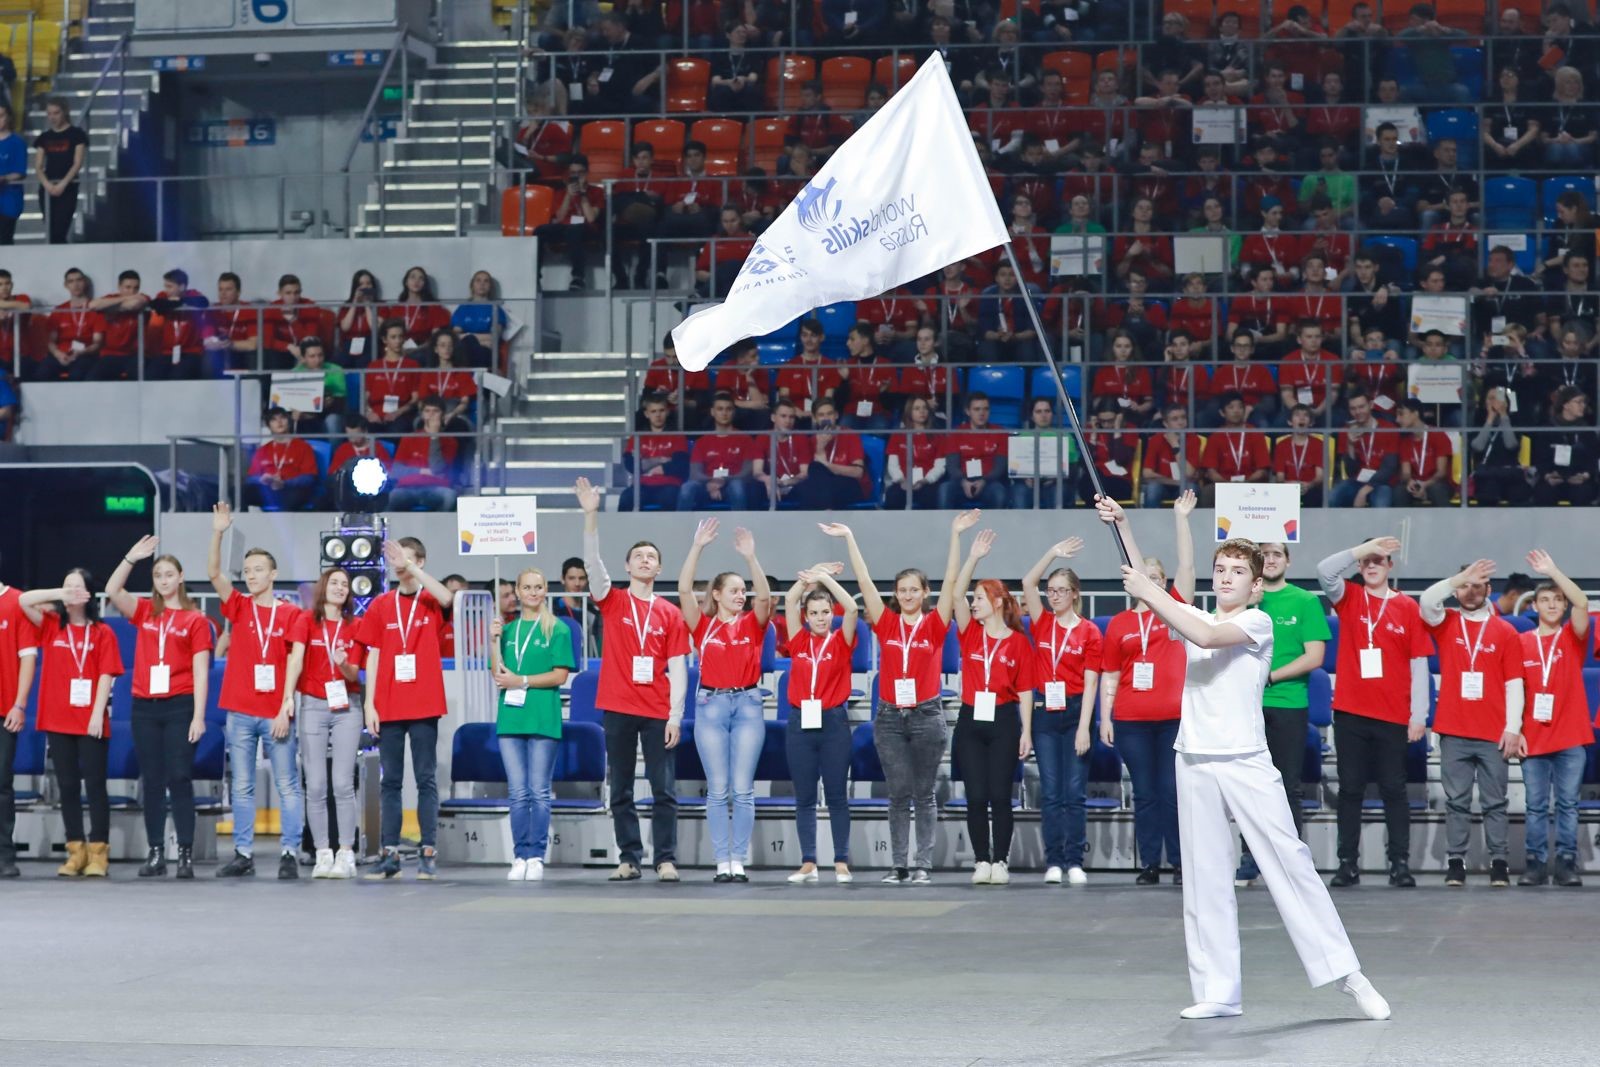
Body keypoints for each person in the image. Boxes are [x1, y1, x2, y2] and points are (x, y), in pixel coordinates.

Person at [1096, 495, 1391, 1023]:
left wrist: (1148, 590)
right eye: (1221, 569)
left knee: (1288, 862)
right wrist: (1125, 525)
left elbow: (1203, 633)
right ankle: (1218, 990)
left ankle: (1349, 975)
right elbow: (1163, 595)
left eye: (1238, 571)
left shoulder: (1257, 624)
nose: (1227, 577)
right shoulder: (1193, 613)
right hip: (1195, 759)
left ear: (1256, 585)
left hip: (1246, 760)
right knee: (1205, 875)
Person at [822, 511, 974, 885]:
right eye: (901, 590)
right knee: (898, 794)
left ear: (925, 593)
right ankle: (899, 864)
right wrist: (850, 538)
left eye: (914, 590)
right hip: (889, 718)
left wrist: (955, 535)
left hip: (926, 717)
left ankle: (922, 863)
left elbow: (953, 579)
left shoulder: (936, 624)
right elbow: (863, 581)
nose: (907, 595)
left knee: (923, 794)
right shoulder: (886, 622)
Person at [576, 477, 690, 882]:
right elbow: (591, 564)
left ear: (659, 568)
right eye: (638, 556)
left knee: (664, 790)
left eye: (651, 557)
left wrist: (676, 716)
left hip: (658, 710)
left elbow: (678, 666)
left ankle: (666, 859)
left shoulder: (670, 613)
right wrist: (591, 516)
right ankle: (629, 857)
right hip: (618, 707)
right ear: (627, 566)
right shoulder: (613, 600)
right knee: (621, 788)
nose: (645, 560)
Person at [1317, 535, 1433, 888]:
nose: (1370, 565)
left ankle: (1399, 863)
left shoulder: (1408, 608)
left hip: (1393, 714)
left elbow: (1418, 663)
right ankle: (1347, 864)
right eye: (1366, 560)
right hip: (1351, 711)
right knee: (1350, 789)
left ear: (1389, 567)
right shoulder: (1349, 597)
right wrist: (1357, 550)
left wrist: (1419, 714)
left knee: (1393, 790)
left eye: (1378, 560)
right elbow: (1324, 571)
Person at [207, 503, 307, 879]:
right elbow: (214, 573)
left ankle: (289, 852)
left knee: (286, 783)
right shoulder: (238, 606)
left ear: (274, 574)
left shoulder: (291, 614)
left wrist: (285, 705)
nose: (251, 576)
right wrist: (219, 531)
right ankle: (243, 853)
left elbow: (295, 663)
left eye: (258, 570)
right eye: (247, 571)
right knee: (243, 786)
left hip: (275, 711)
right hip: (240, 710)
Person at [1100, 497, 1196, 884]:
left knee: (1172, 792)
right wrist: (1105, 717)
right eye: (1148, 578)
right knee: (1144, 793)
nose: (1154, 583)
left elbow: (1187, 567)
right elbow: (1109, 676)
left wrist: (1180, 518)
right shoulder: (1120, 623)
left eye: (1159, 579)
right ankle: (1149, 863)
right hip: (1131, 720)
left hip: (1173, 718)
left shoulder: (1176, 611)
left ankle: (1178, 862)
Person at [104, 537, 213, 880]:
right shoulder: (144, 613)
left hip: (180, 705)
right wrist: (130, 557)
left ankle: (184, 854)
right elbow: (112, 589)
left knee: (179, 778)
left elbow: (200, 671)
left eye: (169, 574)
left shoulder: (195, 620)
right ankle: (155, 854)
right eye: (158, 575)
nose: (163, 580)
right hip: (144, 707)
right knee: (151, 780)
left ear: (180, 578)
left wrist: (198, 715)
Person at [677, 519, 772, 882]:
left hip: (747, 705)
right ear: (716, 594)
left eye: (741, 590)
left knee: (743, 789)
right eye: (732, 590)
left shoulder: (752, 623)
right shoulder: (703, 625)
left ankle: (739, 858)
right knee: (718, 790)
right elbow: (684, 589)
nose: (740, 595)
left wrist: (751, 558)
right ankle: (721, 860)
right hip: (710, 706)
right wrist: (697, 546)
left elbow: (764, 597)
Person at [1418, 560, 1524, 888]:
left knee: (1495, 801)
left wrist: (1513, 726)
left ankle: (1499, 862)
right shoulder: (1446, 622)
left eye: (1478, 585)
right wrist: (1458, 578)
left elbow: (1514, 683)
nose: (1470, 591)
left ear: (1489, 590)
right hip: (1453, 728)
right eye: (1465, 585)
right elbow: (1426, 602)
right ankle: (1456, 862)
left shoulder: (1505, 630)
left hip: (1493, 731)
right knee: (1457, 801)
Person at [355, 538, 454, 880]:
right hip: (390, 703)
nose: (398, 563)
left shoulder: (429, 601)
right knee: (390, 782)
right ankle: (390, 855)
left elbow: (448, 597)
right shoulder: (382, 604)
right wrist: (369, 704)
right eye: (394, 559)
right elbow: (374, 653)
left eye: (406, 558)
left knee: (426, 779)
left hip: (424, 702)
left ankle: (428, 852)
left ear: (421, 562)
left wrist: (411, 567)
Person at [1234, 542, 1332, 887]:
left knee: (1288, 785)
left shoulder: (1305, 601)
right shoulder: (1243, 600)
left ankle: (1290, 861)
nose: (1272, 559)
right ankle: (1250, 858)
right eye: (1266, 554)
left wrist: (1271, 676)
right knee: (1249, 786)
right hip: (1247, 706)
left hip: (1289, 703)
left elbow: (1315, 656)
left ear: (1287, 560)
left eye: (1278, 553)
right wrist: (1247, 606)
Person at [944, 527, 1034, 886]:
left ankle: (1001, 859)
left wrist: (1026, 731)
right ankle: (981, 859)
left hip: (1003, 720)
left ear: (997, 602)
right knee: (976, 795)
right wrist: (973, 557)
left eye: (980, 598)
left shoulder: (1018, 643)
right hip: (970, 719)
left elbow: (1026, 689)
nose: (974, 603)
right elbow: (954, 594)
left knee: (1000, 795)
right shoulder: (969, 632)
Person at [18, 570, 121, 877]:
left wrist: (96, 713)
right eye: (67, 587)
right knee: (66, 786)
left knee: (95, 785)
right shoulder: (51, 626)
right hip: (57, 718)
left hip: (91, 720)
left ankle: (99, 852)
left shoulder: (103, 632)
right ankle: (75, 850)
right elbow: (24, 600)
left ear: (90, 594)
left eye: (78, 587)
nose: (72, 591)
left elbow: (106, 674)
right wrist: (59, 594)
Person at [1021, 536, 1103, 885]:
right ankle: (1054, 860)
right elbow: (1027, 582)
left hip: (1073, 712)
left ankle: (1075, 861)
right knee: (1052, 792)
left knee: (1075, 792)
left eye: (1059, 590)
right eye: (1050, 590)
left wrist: (1085, 726)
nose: (1053, 595)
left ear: (1074, 594)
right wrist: (1051, 552)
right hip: (1044, 712)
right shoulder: (1041, 623)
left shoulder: (1089, 632)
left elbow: (1092, 683)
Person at [489, 567, 576, 882]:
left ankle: (536, 855)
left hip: (543, 717)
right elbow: (498, 674)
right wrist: (493, 640)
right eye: (527, 587)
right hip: (511, 719)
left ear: (545, 590)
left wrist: (522, 680)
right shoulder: (508, 630)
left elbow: (560, 675)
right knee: (517, 793)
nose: (533, 592)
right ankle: (519, 855)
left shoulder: (558, 629)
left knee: (539, 791)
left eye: (539, 587)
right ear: (517, 590)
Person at [1516, 551, 1590, 888]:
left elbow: (1582, 603)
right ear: (1534, 607)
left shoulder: (1574, 638)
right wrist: (1514, 731)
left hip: (1571, 737)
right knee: (1534, 806)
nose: (1551, 605)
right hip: (1533, 737)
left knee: (1568, 805)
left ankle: (1566, 862)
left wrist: (1553, 571)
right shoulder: (1520, 643)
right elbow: (1513, 693)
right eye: (1544, 600)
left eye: (1557, 600)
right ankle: (1534, 863)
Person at [782, 564, 857, 885]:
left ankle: (841, 860)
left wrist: (825, 580)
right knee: (804, 797)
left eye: (826, 611)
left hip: (833, 723)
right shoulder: (798, 640)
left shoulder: (842, 641)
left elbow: (853, 606)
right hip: (800, 722)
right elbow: (788, 601)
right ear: (807, 616)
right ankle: (809, 861)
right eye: (814, 612)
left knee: (838, 794)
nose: (821, 617)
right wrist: (809, 577)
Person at [297, 567, 366, 880]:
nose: (340, 588)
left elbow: (356, 676)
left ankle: (346, 853)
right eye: (335, 583)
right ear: (323, 587)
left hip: (347, 707)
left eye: (345, 585)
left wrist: (343, 664)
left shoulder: (357, 626)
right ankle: (322, 853)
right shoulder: (305, 622)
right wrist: (287, 697)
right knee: (315, 785)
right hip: (312, 704)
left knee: (342, 783)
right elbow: (295, 660)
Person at [0, 551, 36, 878]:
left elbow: (28, 657)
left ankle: (4, 856)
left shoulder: (16, 602)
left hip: (3, 710)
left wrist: (19, 703)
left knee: (1, 783)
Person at [677, 392, 759, 511]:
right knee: (687, 488)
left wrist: (723, 481)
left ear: (733, 412)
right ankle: (681, 528)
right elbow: (694, 474)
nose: (724, 413)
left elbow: (747, 473)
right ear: (712, 412)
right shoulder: (702, 441)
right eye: (720, 409)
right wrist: (711, 482)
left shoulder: (745, 439)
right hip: (706, 485)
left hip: (733, 483)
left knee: (737, 487)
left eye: (728, 409)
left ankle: (739, 528)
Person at [32, 97, 86, 244]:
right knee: (50, 228)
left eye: (56, 113)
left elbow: (77, 163)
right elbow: (38, 165)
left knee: (60, 228)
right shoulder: (44, 137)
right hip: (48, 187)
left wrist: (63, 184)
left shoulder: (76, 134)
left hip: (68, 186)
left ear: (64, 112)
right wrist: (47, 185)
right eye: (49, 114)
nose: (52, 117)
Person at [245, 407, 320, 512]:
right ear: (268, 425)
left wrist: (285, 483)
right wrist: (261, 479)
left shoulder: (304, 447)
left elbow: (308, 478)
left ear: (289, 421)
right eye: (274, 419)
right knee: (238, 492)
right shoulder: (263, 450)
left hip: (290, 489)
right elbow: (250, 479)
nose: (279, 422)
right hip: (267, 489)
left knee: (294, 496)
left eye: (282, 418)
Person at [0, 104, 26, 245]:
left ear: (8, 117)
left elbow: (20, 171)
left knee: (5, 239)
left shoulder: (17, 142)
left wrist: (4, 178)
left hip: (9, 199)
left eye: (1, 115)